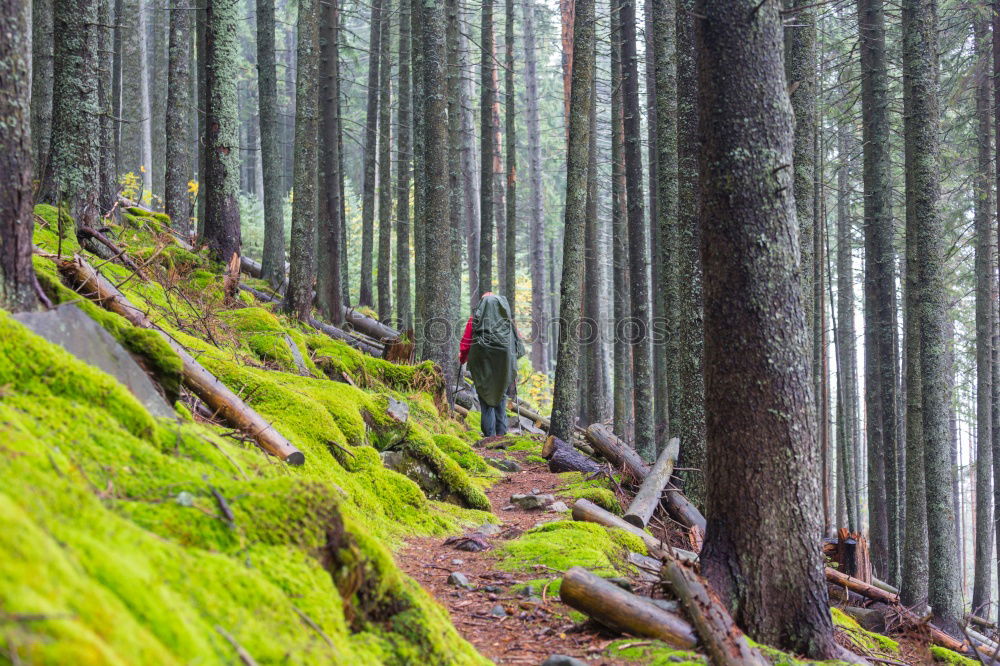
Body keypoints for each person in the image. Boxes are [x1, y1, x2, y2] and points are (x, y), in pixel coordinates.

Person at [459, 292, 525, 437]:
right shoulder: (506, 321)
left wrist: (462, 358)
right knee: (501, 397)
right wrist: (512, 365)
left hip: (482, 367)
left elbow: (466, 343)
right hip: (503, 368)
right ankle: (501, 435)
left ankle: (489, 436)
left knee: (485, 398)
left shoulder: (474, 319)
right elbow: (517, 345)